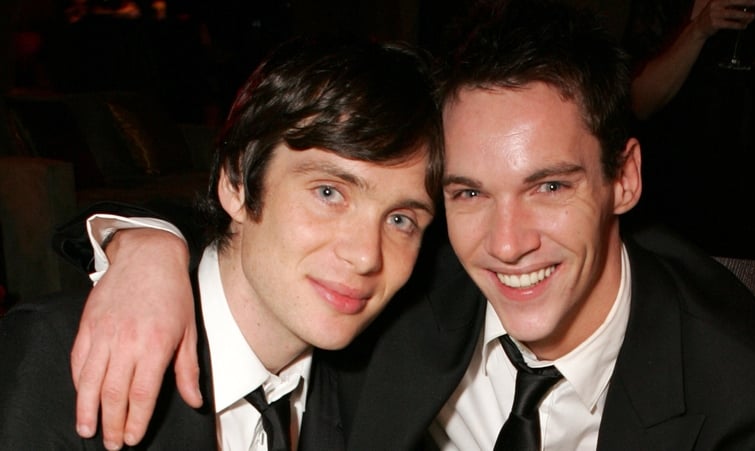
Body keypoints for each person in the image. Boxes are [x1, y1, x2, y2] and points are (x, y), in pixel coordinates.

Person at [51, 0, 755, 449]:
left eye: (547, 185)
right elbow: (270, 224)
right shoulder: (398, 281)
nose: (507, 244)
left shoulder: (744, 395)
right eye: (469, 194)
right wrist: (141, 241)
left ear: (623, 178)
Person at [0, 34, 442, 450]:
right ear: (236, 182)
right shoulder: (59, 360)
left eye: (401, 219)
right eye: (329, 193)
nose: (366, 255)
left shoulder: (383, 386)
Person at [622, 0, 755, 259]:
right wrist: (699, 29)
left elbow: (754, 99)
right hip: (675, 189)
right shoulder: (664, 9)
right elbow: (640, 102)